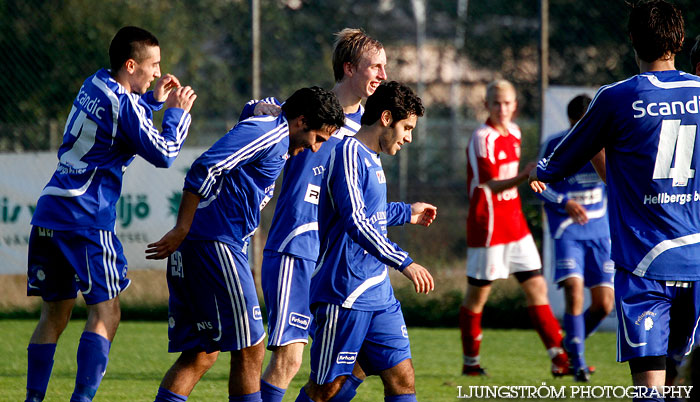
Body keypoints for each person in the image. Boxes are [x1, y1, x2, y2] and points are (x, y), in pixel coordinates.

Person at [529, 1, 700, 399]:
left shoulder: (616, 98)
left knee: (650, 387)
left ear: (631, 40)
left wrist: (537, 171)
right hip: (696, 259)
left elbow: (554, 167)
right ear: (679, 39)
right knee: (682, 378)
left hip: (644, 261)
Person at [24, 26, 196, 402]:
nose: (157, 72)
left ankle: (32, 399)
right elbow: (165, 153)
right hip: (85, 219)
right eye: (153, 65)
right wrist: (176, 114)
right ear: (131, 64)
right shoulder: (125, 105)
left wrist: (150, 100)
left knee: (53, 316)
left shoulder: (95, 82)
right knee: (107, 313)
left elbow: (122, 117)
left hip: (50, 210)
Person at [145, 86, 345, 402]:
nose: (316, 148)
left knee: (201, 353)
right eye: (317, 138)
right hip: (214, 242)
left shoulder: (274, 129)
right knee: (251, 346)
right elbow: (205, 166)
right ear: (301, 121)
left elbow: (258, 108)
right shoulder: (269, 132)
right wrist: (182, 226)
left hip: (208, 242)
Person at [248, 28, 387, 402]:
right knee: (289, 359)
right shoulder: (302, 111)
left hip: (333, 262)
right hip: (296, 245)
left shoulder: (365, 131)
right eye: (375, 66)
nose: (382, 76)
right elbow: (256, 117)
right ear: (348, 68)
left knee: (357, 361)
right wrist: (259, 109)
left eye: (384, 68)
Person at [295, 81, 435, 402]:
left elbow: (370, 213)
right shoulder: (348, 152)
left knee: (402, 378)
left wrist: (405, 212)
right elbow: (356, 221)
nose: (409, 136)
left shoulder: (372, 157)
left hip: (378, 292)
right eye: (407, 127)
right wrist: (404, 261)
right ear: (386, 118)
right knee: (326, 390)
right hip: (344, 291)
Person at [459, 79, 571, 377]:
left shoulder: (516, 132)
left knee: (536, 286)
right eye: (496, 103)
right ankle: (470, 363)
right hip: (489, 225)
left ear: (515, 105)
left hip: (515, 223)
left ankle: (560, 358)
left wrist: (528, 178)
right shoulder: (483, 137)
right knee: (477, 297)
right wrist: (524, 175)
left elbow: (514, 178)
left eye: (508, 103)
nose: (503, 109)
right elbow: (490, 185)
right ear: (487, 105)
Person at [537, 94, 614, 382]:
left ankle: (570, 345)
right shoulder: (556, 145)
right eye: (578, 124)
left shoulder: (607, 145)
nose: (582, 129)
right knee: (573, 291)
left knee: (604, 304)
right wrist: (563, 202)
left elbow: (619, 182)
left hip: (600, 232)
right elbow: (538, 184)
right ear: (570, 122)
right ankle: (578, 363)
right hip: (568, 229)